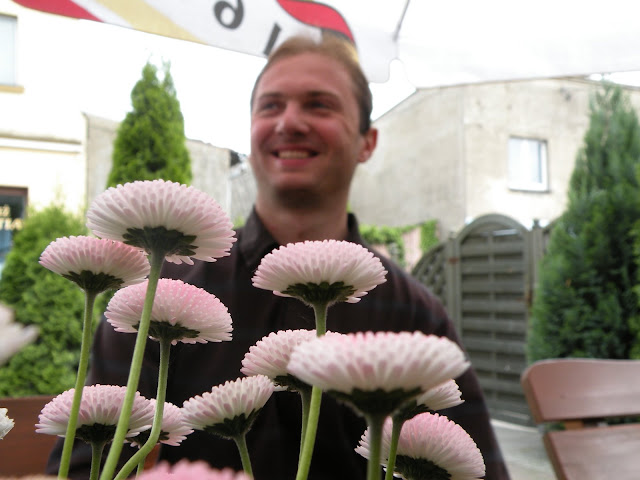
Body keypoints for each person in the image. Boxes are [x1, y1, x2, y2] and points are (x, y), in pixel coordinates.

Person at [47, 34, 510, 479]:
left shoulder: (413, 314)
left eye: (319, 104)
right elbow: (87, 462)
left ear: (367, 142)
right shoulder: (160, 294)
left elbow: (478, 468)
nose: (289, 122)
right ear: (250, 134)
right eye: (270, 106)